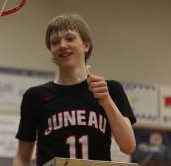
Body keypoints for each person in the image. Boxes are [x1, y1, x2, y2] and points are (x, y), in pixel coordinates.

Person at [12, 14, 137, 166]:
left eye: (70, 38)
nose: (63, 45)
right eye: (55, 42)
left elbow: (128, 146)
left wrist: (106, 101)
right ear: (51, 50)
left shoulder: (110, 89)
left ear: (86, 45)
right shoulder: (35, 96)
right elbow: (22, 157)